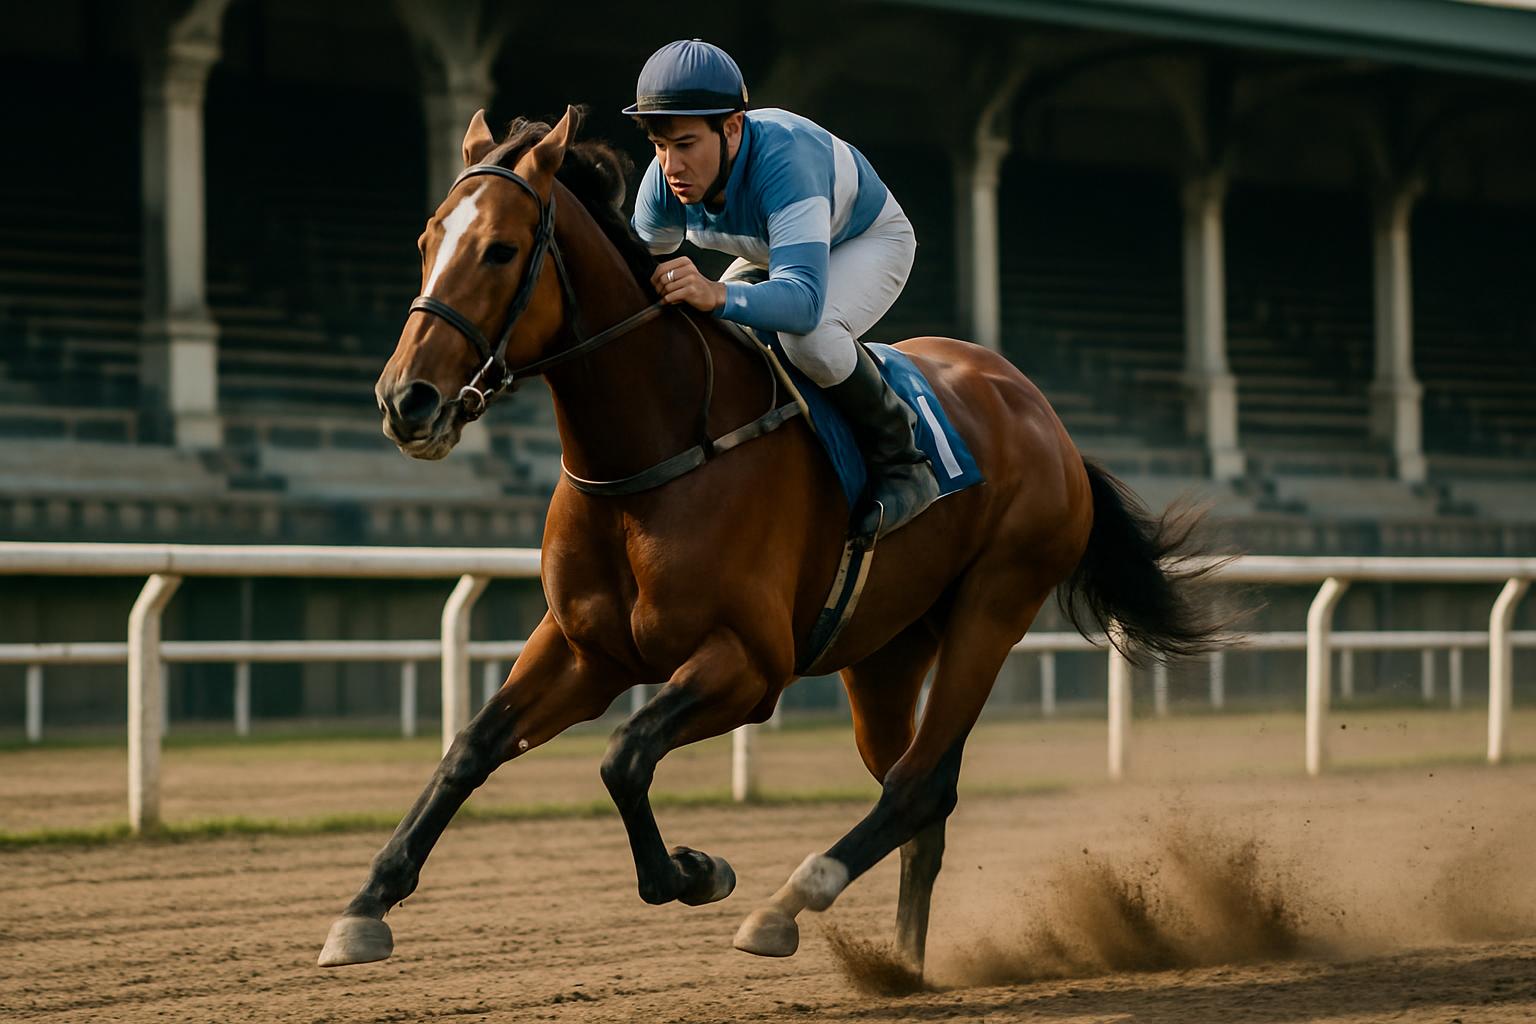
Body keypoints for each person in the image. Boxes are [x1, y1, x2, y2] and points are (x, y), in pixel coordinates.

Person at [623, 38, 939, 539]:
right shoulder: (663, 182)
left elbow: (805, 303)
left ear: (731, 128)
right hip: (778, 248)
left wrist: (715, 293)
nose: (671, 166)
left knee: (809, 338)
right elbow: (637, 282)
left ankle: (903, 460)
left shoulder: (785, 162)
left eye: (685, 145)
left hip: (866, 241)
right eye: (659, 146)